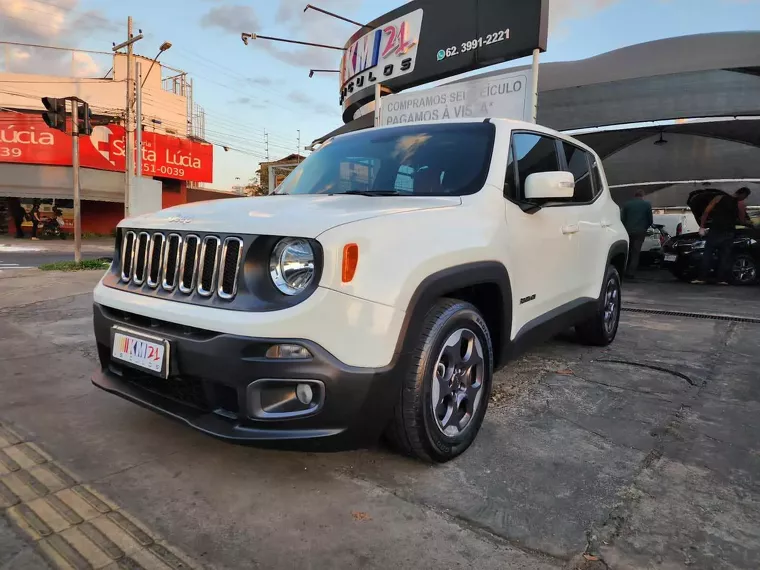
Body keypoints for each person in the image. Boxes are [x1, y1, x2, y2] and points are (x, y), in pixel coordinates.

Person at [692, 187, 751, 285]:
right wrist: (749, 223)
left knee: (707, 255)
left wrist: (702, 227)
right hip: (728, 233)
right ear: (743, 194)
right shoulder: (740, 204)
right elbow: (742, 220)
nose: (744, 199)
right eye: (745, 197)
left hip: (715, 231)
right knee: (724, 256)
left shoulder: (718, 198)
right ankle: (721, 279)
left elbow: (706, 212)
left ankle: (702, 278)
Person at [620, 189, 653, 278]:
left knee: (627, 250)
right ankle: (630, 273)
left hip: (627, 231)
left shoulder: (627, 204)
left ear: (634, 196)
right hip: (640, 232)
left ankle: (622, 270)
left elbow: (622, 219)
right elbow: (650, 220)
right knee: (635, 252)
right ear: (642, 196)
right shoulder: (646, 205)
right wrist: (645, 227)